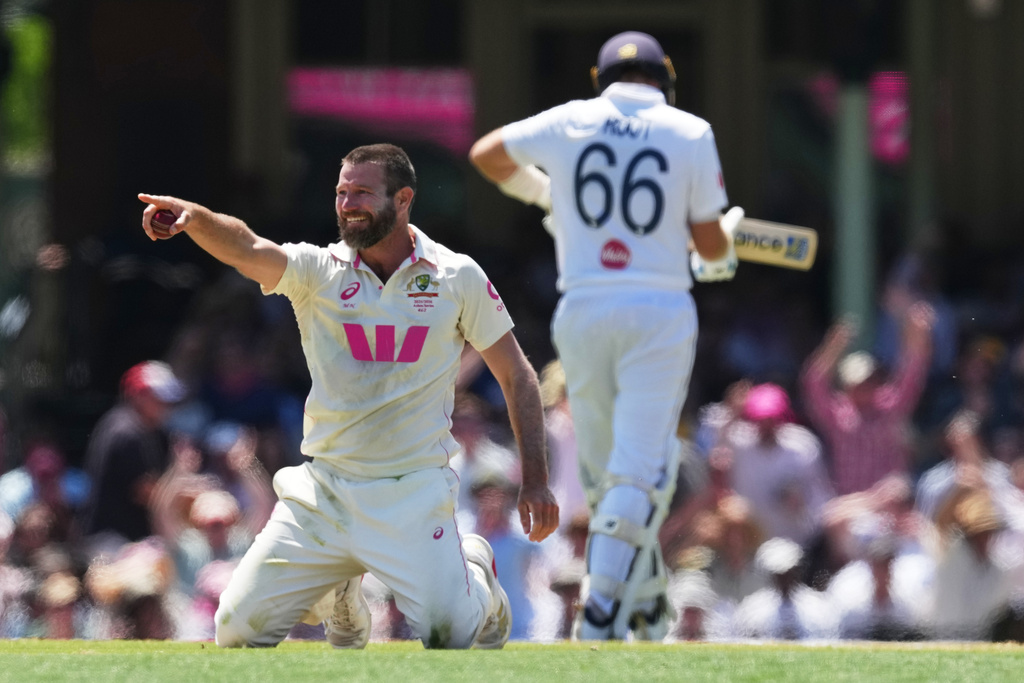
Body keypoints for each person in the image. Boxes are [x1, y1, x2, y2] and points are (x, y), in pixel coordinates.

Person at [138, 143, 559, 650]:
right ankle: (338, 588)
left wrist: (534, 478)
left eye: (362, 192)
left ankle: (473, 566)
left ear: (403, 200)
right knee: (236, 631)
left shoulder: (456, 275)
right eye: (341, 192)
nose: (347, 203)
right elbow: (248, 248)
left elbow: (517, 375)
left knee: (452, 637)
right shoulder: (319, 270)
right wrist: (194, 219)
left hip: (413, 491)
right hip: (325, 490)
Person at [469, 30, 741, 641]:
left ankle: (642, 610)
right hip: (658, 308)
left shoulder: (571, 119)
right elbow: (709, 243)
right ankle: (601, 608)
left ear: (601, 80)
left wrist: (545, 193)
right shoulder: (688, 130)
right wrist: (723, 245)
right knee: (637, 474)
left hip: (583, 308)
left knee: (606, 475)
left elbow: (486, 154)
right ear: (666, 78)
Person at [800, 302, 934, 496]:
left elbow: (913, 372)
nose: (865, 388)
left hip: (889, 505)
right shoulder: (837, 415)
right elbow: (813, 381)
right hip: (850, 503)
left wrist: (917, 334)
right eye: (859, 384)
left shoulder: (890, 406)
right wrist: (834, 345)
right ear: (847, 387)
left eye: (869, 382)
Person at [80, 360, 186, 546]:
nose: (166, 405)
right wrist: (183, 473)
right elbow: (148, 494)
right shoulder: (125, 433)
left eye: (169, 399)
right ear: (138, 396)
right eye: (159, 398)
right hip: (113, 542)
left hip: (131, 540)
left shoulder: (150, 430)